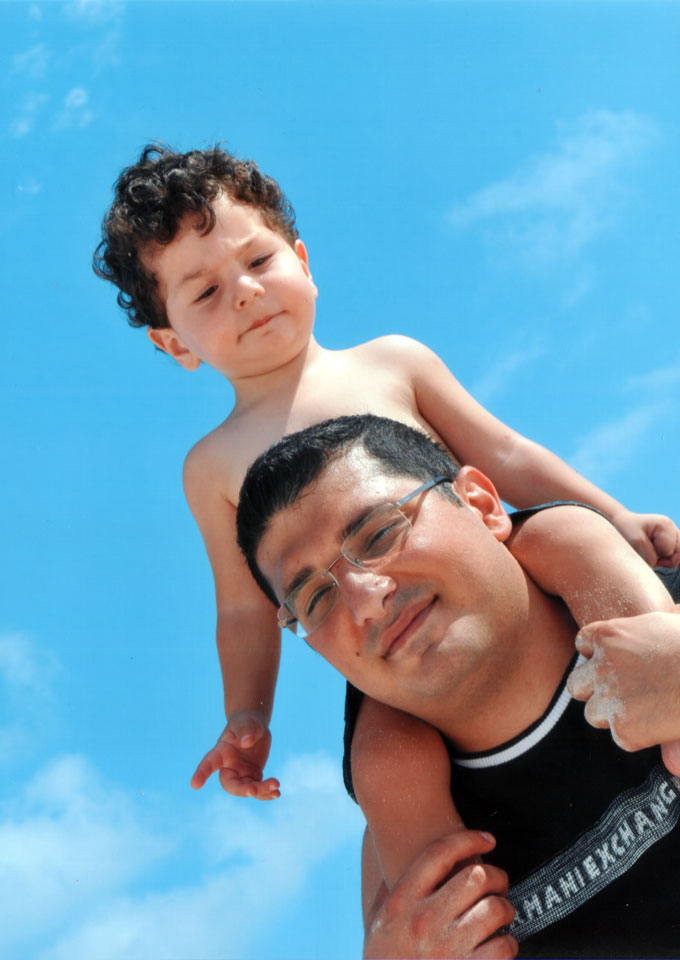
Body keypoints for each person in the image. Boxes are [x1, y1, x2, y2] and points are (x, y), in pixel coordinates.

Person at [93, 143, 680, 806]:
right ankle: (434, 867)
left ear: (302, 262)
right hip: (389, 638)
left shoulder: (392, 361)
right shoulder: (211, 466)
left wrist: (615, 515)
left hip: (497, 572)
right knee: (379, 749)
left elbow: (506, 454)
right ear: (173, 342)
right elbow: (243, 609)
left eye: (258, 261)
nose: (247, 292)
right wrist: (247, 713)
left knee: (569, 534)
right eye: (205, 292)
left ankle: (663, 662)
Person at [236, 415, 680, 958]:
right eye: (315, 599)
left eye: (378, 534)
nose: (364, 600)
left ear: (483, 505)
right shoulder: (407, 885)